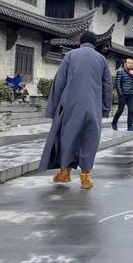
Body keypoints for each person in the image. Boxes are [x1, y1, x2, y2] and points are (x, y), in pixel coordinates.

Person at [39, 31, 112, 190]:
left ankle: (65, 172)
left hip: (71, 104)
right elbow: (107, 87)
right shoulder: (102, 60)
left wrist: (53, 108)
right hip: (93, 105)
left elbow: (59, 83)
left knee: (68, 136)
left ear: (80, 42)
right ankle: (86, 176)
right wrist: (106, 109)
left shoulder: (70, 56)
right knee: (89, 139)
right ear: (94, 44)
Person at [111, 58, 133, 131]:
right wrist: (120, 94)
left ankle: (130, 126)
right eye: (129, 63)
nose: (130, 64)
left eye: (131, 63)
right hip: (123, 95)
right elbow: (117, 84)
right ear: (125, 63)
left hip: (131, 94)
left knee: (131, 110)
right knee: (120, 111)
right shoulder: (120, 72)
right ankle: (114, 123)